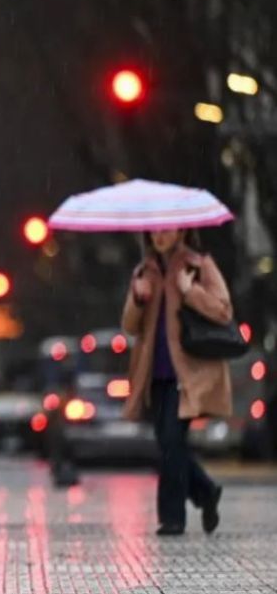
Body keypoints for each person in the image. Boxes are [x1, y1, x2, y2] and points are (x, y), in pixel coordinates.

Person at [121, 228, 232, 537]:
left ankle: (172, 518)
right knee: (169, 445)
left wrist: (190, 292)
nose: (159, 235)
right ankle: (206, 492)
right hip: (154, 375)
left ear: (181, 230)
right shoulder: (144, 271)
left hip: (187, 375)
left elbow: (224, 311)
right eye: (153, 230)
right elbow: (129, 326)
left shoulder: (199, 265)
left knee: (171, 443)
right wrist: (138, 298)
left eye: (166, 229)